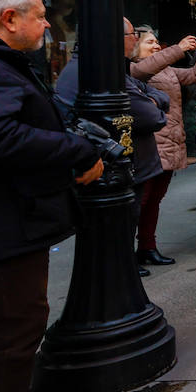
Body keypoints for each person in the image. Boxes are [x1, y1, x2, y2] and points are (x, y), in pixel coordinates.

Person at [0, 0, 102, 392]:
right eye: (39, 15)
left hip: (17, 221)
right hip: (8, 224)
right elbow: (6, 137)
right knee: (16, 329)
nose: (46, 24)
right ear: (8, 19)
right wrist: (78, 151)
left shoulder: (10, 65)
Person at [56, 18, 169, 278]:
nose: (136, 39)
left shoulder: (115, 70)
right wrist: (153, 104)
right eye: (134, 34)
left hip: (130, 163)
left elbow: (156, 100)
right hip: (113, 167)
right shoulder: (98, 71)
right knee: (116, 230)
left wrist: (153, 101)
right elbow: (151, 116)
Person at [130, 28, 196, 265]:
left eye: (158, 42)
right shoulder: (132, 69)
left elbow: (195, 74)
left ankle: (147, 247)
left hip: (170, 141)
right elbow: (145, 69)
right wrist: (177, 49)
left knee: (154, 200)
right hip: (149, 143)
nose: (157, 46)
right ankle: (126, 255)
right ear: (135, 47)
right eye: (150, 43)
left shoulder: (167, 70)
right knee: (141, 201)